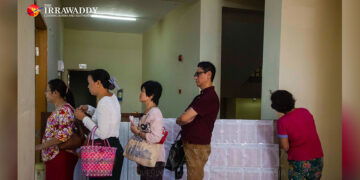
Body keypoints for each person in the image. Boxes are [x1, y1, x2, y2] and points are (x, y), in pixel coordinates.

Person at [74, 69, 123, 180]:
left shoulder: (104, 102)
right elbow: (104, 116)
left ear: (98, 83)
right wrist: (89, 109)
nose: (88, 86)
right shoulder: (111, 97)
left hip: (104, 149)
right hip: (113, 147)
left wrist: (84, 118)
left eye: (89, 83)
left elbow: (102, 134)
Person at [176, 61, 220, 180]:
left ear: (209, 74)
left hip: (197, 146)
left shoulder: (209, 97)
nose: (195, 77)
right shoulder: (201, 96)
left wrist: (181, 120)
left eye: (198, 73)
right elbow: (185, 117)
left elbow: (184, 117)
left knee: (194, 177)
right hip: (192, 145)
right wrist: (183, 119)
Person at [271, 90, 324, 180]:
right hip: (318, 157)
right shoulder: (305, 111)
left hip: (300, 161)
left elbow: (285, 147)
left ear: (276, 107)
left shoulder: (282, 122)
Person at [35, 79, 78, 180]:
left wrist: (41, 146)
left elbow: (63, 136)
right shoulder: (60, 109)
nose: (45, 93)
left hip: (60, 155)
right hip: (55, 156)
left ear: (55, 93)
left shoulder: (65, 110)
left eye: (47, 90)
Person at [130, 80, 165, 180]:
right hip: (146, 158)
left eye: (143, 91)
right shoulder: (148, 112)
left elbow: (156, 137)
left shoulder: (155, 113)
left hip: (154, 160)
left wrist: (137, 132)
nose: (140, 93)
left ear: (151, 95)